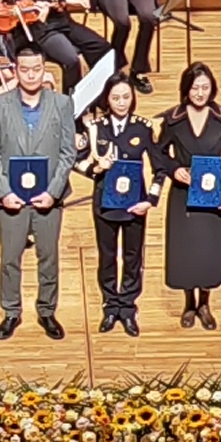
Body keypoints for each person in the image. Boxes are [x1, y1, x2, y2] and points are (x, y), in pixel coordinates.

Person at [0, 51, 79, 338]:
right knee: (10, 258)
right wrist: (4, 192)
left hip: (48, 199)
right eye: (25, 70)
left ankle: (47, 311)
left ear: (44, 69)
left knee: (47, 257)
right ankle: (11, 311)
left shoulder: (62, 104)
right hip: (11, 198)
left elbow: (68, 152)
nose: (31, 75)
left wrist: (53, 192)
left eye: (36, 69)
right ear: (16, 70)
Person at [157, 62, 221, 327]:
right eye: (195, 88)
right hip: (183, 195)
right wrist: (174, 170)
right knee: (186, 251)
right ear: (186, 89)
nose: (200, 93)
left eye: (205, 88)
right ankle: (188, 303)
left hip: (213, 194)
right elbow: (159, 153)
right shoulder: (173, 118)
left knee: (208, 252)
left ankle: (205, 303)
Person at [75, 71, 154, 333]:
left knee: (132, 258)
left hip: (135, 205)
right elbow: (77, 161)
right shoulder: (95, 127)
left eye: (126, 97)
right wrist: (96, 169)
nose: (121, 102)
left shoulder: (143, 127)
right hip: (104, 204)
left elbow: (162, 167)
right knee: (107, 257)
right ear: (107, 99)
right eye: (116, 97)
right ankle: (111, 306)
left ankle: (128, 307)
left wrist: (151, 199)